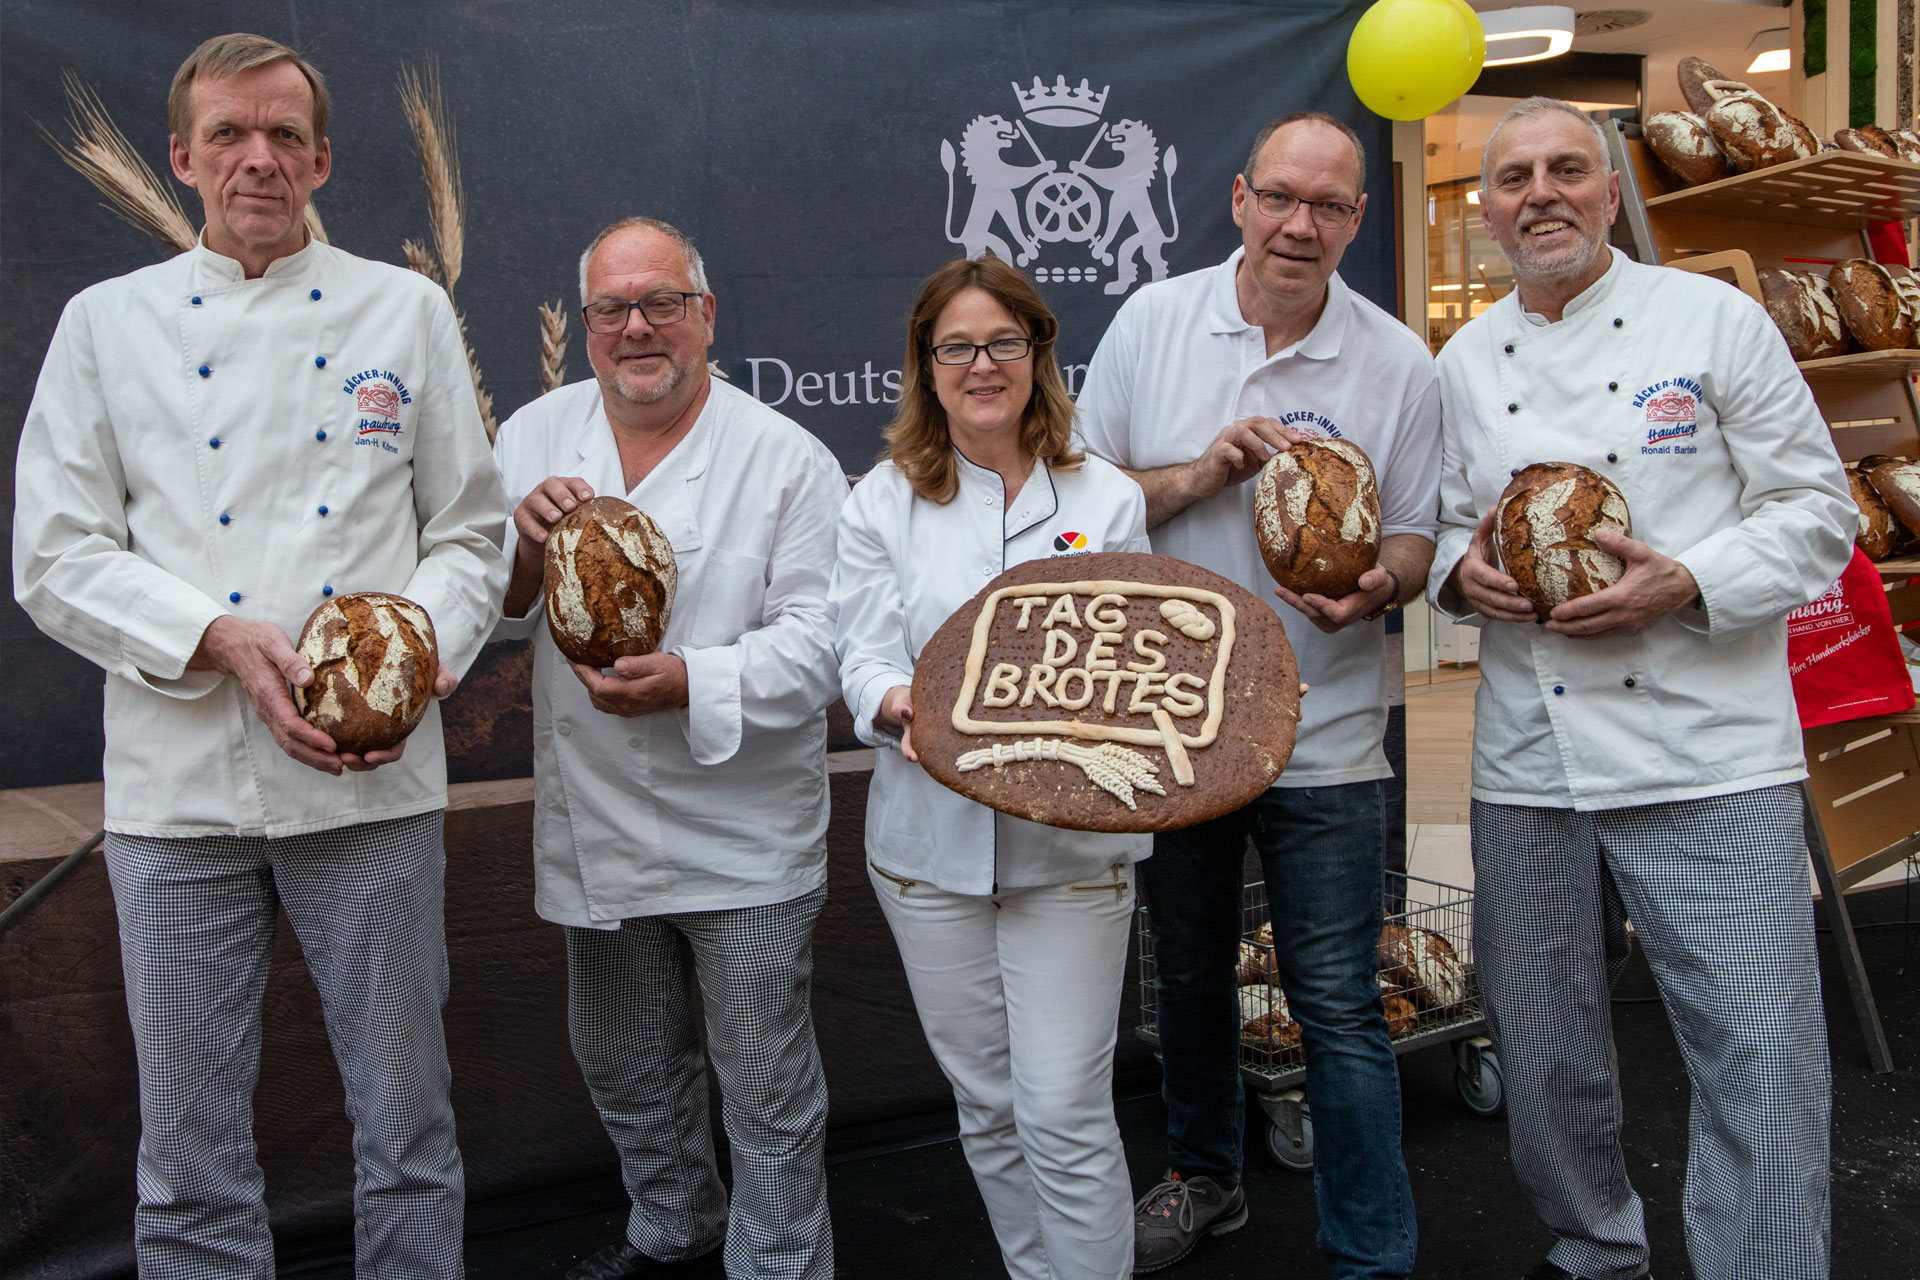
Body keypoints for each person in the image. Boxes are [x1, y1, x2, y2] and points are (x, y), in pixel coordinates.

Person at [11, 33, 508, 1276]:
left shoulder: (405, 310)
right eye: (229, 133)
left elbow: (470, 530)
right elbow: (57, 554)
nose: (258, 157)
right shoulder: (104, 326)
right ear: (180, 157)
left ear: (322, 158)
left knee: (406, 1121)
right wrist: (219, 639)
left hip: (371, 783)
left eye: (285, 134)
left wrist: (409, 658)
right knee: (188, 1146)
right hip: (178, 799)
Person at [1428, 97, 1851, 1280]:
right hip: (1531, 757)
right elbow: (1455, 530)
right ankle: (1594, 1242)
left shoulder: (1715, 323)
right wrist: (1464, 578)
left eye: (1569, 169)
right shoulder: (1463, 361)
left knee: (1758, 1050)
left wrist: (1689, 579)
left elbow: (1818, 515)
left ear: (1612, 191)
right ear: (1489, 208)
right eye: (1514, 177)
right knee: (1544, 1041)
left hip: (1708, 748)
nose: (1541, 193)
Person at [1076, 111, 1436, 1277]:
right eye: (1281, 197)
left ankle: (1371, 1246)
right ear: (1237, 198)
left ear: (1357, 220)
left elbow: (1423, 532)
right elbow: (1086, 503)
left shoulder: (1396, 361)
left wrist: (1380, 579)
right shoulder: (1153, 323)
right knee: (1185, 972)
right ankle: (1205, 1174)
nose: (1300, 224)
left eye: (1328, 205)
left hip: (1325, 726)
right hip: (1175, 723)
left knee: (1336, 998)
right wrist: (1201, 473)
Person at [490, 216, 845, 1280]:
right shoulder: (534, 434)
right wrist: (517, 545)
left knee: (767, 1085)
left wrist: (695, 679)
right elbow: (486, 611)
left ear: (706, 316)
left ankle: (777, 1263)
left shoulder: (788, 458)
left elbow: (824, 644)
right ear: (586, 324)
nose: (637, 327)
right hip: (596, 816)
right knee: (626, 1061)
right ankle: (674, 1222)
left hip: (743, 830)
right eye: (612, 308)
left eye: (662, 304)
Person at [830, 254, 1151, 1279]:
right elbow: (865, 655)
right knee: (991, 1104)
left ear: (1038, 352)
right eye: (957, 346)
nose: (981, 364)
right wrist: (900, 709)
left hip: (1071, 855)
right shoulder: (882, 501)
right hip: (929, 856)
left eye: (1003, 342)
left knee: (1062, 1106)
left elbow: (1141, 659)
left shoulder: (1105, 497)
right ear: (926, 366)